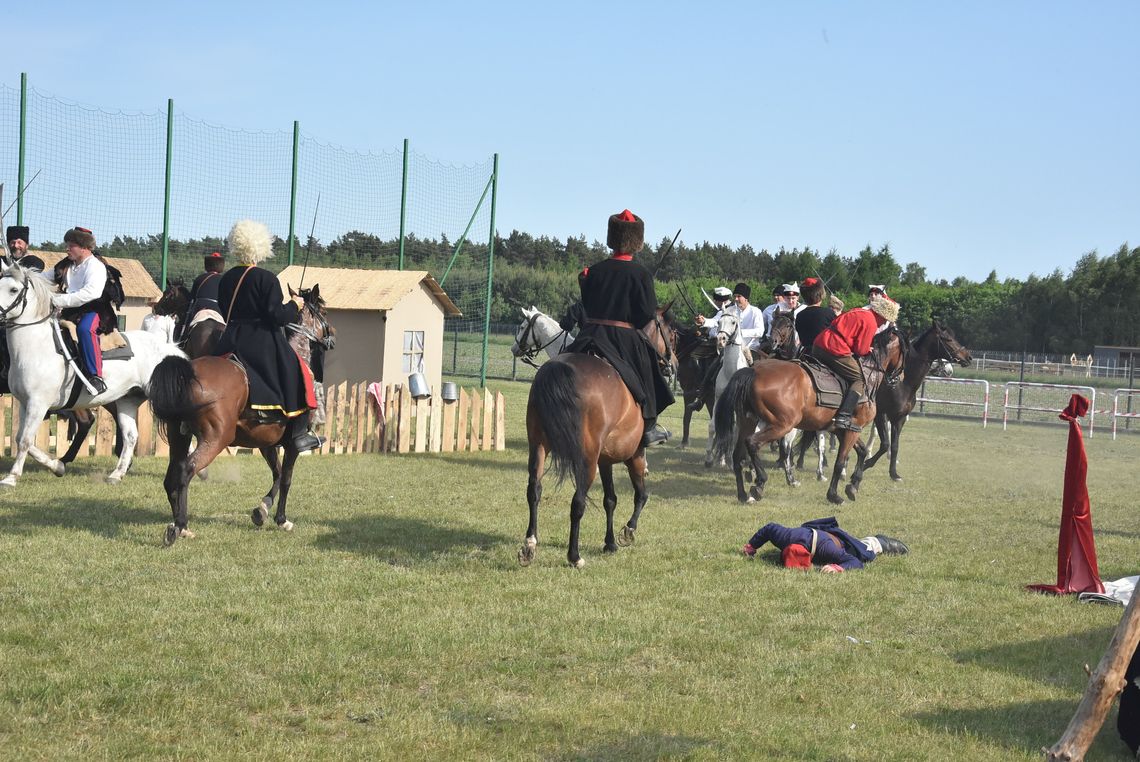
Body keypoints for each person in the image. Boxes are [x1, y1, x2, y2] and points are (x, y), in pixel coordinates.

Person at [565, 209, 674, 448]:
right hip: (623, 337)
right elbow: (646, 314)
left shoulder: (594, 270)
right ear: (636, 242)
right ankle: (649, 427)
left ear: (612, 238)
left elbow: (588, 305)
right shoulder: (641, 274)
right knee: (649, 371)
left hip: (590, 334)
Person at [214, 220, 324, 453]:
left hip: (229, 338)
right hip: (261, 342)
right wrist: (294, 304)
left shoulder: (226, 279)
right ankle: (299, 434)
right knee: (301, 371)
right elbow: (278, 317)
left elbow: (225, 312)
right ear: (262, 247)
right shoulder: (266, 279)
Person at [810, 293, 899, 431]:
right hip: (834, 349)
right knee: (859, 380)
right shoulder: (871, 322)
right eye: (886, 319)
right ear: (882, 315)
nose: (885, 323)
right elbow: (860, 350)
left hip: (818, 344)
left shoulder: (859, 311)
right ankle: (843, 417)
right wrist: (867, 349)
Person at [52, 227, 115, 394]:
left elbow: (91, 293)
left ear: (84, 247)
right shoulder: (65, 265)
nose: (67, 248)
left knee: (85, 329)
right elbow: (43, 277)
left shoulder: (95, 266)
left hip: (94, 310)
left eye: (71, 245)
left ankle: (96, 377)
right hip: (70, 310)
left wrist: (58, 300)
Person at [742, 516, 909, 572]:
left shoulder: (827, 551)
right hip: (814, 530)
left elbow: (855, 562)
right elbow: (769, 528)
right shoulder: (784, 537)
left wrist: (838, 567)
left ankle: (879, 541)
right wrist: (752, 546)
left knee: (865, 552)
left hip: (837, 541)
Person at [180, 251, 226, 339]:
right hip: (218, 308)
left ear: (207, 265)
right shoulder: (224, 279)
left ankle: (182, 340)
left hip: (200, 306)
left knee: (186, 321)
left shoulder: (199, 278)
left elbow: (191, 298)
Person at [794, 277, 836, 353]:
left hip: (805, 353)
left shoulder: (799, 315)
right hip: (824, 353)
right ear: (821, 295)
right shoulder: (828, 313)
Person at [731, 282, 766, 354]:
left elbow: (760, 331)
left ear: (746, 298)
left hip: (751, 349)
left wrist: (741, 332)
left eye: (739, 296)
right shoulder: (731, 310)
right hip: (733, 348)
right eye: (735, 296)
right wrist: (705, 321)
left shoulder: (755, 311)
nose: (736, 299)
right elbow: (717, 321)